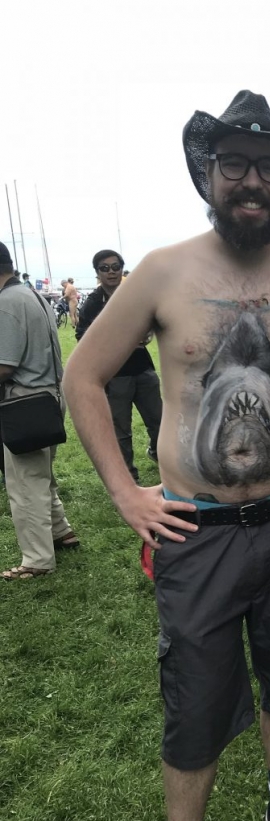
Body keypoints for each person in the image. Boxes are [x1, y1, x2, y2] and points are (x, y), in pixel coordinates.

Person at [63, 90, 270, 821]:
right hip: (197, 534)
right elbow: (82, 378)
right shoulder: (161, 272)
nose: (252, 181)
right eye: (235, 165)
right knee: (196, 703)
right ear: (206, 173)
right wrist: (125, 494)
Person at [0, 241, 78, 579]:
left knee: (25, 483)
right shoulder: (31, 294)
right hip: (48, 396)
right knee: (40, 475)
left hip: (25, 401)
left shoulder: (6, 302)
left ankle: (37, 560)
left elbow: (4, 366)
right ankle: (61, 532)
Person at [76, 249, 162, 479]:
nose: (111, 272)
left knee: (159, 422)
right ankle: (128, 477)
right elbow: (81, 336)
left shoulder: (133, 295)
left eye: (115, 267)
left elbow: (154, 320)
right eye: (105, 268)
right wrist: (115, 342)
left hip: (144, 369)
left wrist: (149, 332)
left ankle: (159, 455)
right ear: (97, 273)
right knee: (121, 431)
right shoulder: (93, 303)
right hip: (115, 375)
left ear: (122, 269)